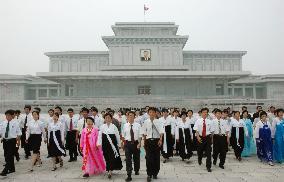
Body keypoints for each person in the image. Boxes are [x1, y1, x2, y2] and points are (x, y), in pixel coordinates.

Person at [97, 113, 123, 179]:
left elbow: (117, 136)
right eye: (106, 118)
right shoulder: (102, 126)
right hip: (105, 144)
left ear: (111, 119)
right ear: (104, 119)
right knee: (107, 157)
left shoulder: (114, 126)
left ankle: (110, 170)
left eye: (109, 117)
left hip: (113, 144)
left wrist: (119, 144)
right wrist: (98, 143)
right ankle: (109, 169)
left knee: (112, 157)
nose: (107, 119)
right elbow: (100, 136)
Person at [142, 107, 163, 181]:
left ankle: (155, 173)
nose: (151, 113)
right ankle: (149, 174)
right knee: (149, 158)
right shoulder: (145, 122)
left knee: (156, 158)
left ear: (155, 113)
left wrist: (160, 140)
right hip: (148, 141)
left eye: (153, 112)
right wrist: (144, 142)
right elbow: (144, 133)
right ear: (148, 113)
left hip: (156, 141)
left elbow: (161, 131)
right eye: (150, 112)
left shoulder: (158, 121)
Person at [122, 111, 142, 181]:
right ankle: (129, 174)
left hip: (136, 143)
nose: (130, 117)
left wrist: (139, 143)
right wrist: (122, 143)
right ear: (127, 117)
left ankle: (136, 170)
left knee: (136, 158)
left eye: (132, 116)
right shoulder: (125, 125)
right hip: (127, 144)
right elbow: (123, 136)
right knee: (128, 159)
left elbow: (140, 135)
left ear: (134, 117)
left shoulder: (138, 125)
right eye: (129, 116)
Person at [0, 110, 21, 176]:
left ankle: (5, 170)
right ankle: (12, 169)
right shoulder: (3, 123)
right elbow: (1, 132)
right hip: (5, 141)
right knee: (6, 155)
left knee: (9, 155)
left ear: (12, 116)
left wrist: (18, 141)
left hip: (12, 141)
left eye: (8, 115)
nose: (7, 117)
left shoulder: (15, 123)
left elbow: (19, 133)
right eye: (6, 115)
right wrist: (2, 137)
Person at [194, 107, 213, 172]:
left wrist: (211, 139)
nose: (205, 113)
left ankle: (208, 166)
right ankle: (199, 159)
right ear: (201, 113)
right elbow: (196, 130)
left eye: (206, 112)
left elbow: (212, 131)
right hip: (200, 137)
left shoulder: (210, 121)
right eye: (204, 112)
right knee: (200, 151)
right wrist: (198, 137)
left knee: (208, 153)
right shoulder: (198, 121)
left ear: (207, 113)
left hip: (207, 138)